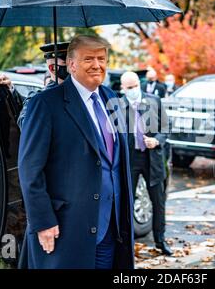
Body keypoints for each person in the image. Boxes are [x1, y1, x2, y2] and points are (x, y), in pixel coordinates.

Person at [18, 35, 134, 269]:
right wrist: (43, 221)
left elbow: (115, 163)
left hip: (110, 227)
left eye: (102, 58)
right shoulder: (45, 103)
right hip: (65, 228)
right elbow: (30, 169)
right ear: (71, 65)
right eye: (88, 58)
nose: (97, 64)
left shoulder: (113, 99)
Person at [120, 71, 172, 256]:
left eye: (135, 86)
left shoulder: (154, 101)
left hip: (153, 158)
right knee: (126, 201)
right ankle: (126, 242)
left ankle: (160, 240)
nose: (133, 90)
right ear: (123, 88)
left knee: (158, 201)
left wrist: (157, 140)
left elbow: (166, 127)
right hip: (131, 158)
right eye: (129, 88)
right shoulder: (119, 105)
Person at [0, 41, 70, 129]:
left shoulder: (81, 92)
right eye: (67, 64)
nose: (73, 67)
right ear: (53, 68)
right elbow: (27, 128)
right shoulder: (38, 99)